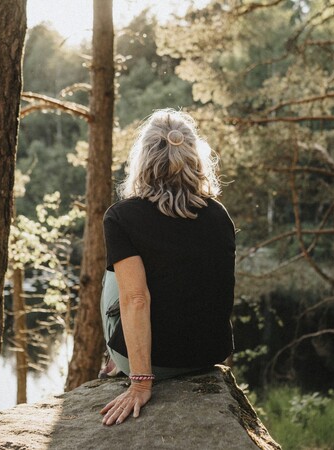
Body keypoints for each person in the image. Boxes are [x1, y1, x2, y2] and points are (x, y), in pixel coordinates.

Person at [99, 109, 236, 426]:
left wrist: (141, 383)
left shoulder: (121, 216)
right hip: (207, 357)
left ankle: (117, 361)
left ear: (143, 160)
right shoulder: (219, 215)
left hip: (156, 366)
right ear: (195, 157)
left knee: (115, 276)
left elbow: (135, 299)